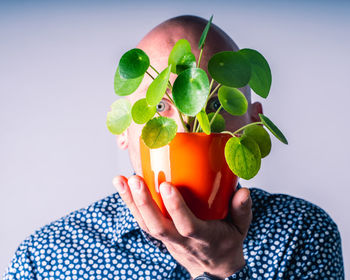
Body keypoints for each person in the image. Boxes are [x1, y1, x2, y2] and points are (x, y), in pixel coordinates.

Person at [4, 15, 344, 280]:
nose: (189, 126)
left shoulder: (300, 233)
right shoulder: (48, 255)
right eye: (161, 107)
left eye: (212, 106)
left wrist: (227, 270)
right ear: (124, 129)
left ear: (252, 122)